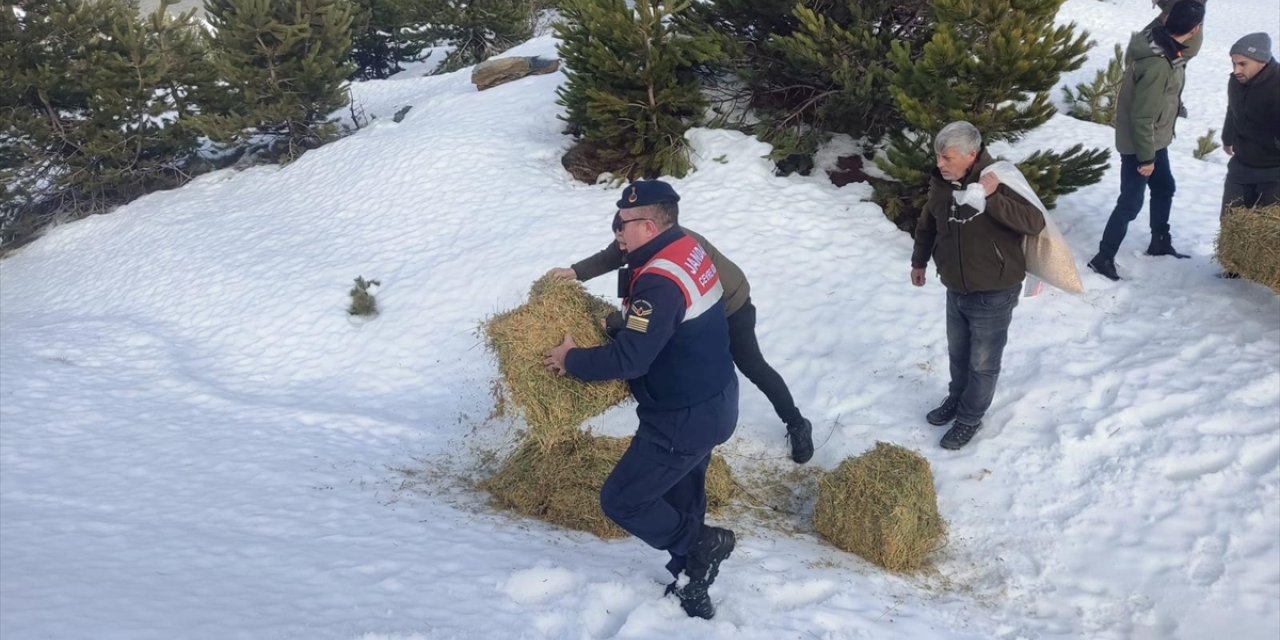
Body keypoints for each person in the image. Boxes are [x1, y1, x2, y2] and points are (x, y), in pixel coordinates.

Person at [543, 180, 738, 619]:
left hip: (681, 415)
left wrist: (570, 359)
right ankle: (692, 582)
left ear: (648, 226)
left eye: (624, 223)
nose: (618, 230)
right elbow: (668, 329)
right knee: (682, 492)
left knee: (623, 500)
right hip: (715, 399)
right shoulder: (685, 247)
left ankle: (700, 545)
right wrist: (620, 323)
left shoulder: (660, 279)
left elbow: (632, 359)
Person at [548, 203, 814, 464]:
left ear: (646, 229)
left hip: (731, 306)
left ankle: (797, 423)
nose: (622, 249)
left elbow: (664, 312)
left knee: (752, 365)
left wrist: (619, 322)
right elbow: (615, 254)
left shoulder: (671, 258)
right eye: (620, 240)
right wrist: (575, 271)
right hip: (695, 309)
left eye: (625, 241)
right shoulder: (646, 238)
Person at [910, 121, 1046, 450]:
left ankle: (970, 418)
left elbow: (1034, 221)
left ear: (972, 155)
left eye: (947, 157)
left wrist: (993, 195)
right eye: (938, 156)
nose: (940, 163)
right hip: (956, 287)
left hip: (994, 290)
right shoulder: (941, 183)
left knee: (982, 363)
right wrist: (919, 260)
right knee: (958, 354)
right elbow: (928, 223)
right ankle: (956, 400)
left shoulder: (999, 178)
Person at [1087, 0, 1206, 281]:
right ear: (1194, 29)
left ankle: (1160, 242)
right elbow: (1142, 117)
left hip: (1155, 140)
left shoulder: (1165, 44)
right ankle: (1103, 258)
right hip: (1140, 145)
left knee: (1165, 187)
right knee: (1130, 202)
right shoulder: (1157, 64)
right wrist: (1146, 159)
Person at [1220, 33, 1280, 218]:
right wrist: (1227, 138)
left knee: (1267, 235)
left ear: (1261, 61)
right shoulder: (1236, 82)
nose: (1236, 69)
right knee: (1231, 223)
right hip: (1241, 165)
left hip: (1274, 171)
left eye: (1243, 64)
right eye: (1234, 63)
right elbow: (1233, 110)